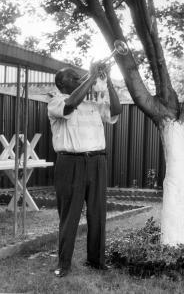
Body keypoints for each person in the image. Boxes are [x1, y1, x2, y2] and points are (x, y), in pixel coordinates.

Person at [47, 62, 122, 277]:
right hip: (70, 163)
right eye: (74, 78)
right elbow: (71, 104)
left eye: (80, 77)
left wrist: (107, 82)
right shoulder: (56, 102)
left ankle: (96, 261)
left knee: (97, 213)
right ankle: (64, 264)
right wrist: (90, 76)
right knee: (69, 216)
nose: (79, 79)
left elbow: (116, 111)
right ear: (62, 83)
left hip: (98, 162)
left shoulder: (92, 104)